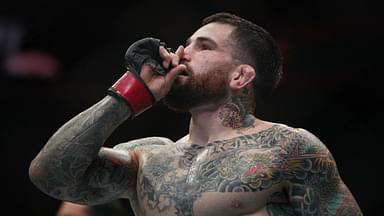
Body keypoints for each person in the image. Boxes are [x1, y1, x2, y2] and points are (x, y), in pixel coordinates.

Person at [29, 12, 362, 215]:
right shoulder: (147, 158)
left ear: (240, 76)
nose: (182, 53)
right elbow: (50, 176)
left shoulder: (288, 148)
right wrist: (129, 96)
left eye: (204, 47)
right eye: (185, 44)